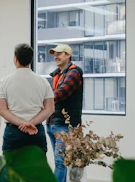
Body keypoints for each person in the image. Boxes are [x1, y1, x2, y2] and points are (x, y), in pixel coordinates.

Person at [0, 43, 55, 153]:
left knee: (12, 169)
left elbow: (1, 109)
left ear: (15, 59)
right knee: (35, 170)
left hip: (13, 132)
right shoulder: (43, 82)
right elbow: (50, 108)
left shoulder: (4, 82)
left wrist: (22, 123)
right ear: (31, 60)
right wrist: (31, 123)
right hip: (36, 131)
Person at [47, 44, 83, 182]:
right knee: (60, 161)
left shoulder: (74, 73)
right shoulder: (56, 74)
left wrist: (42, 100)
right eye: (54, 54)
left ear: (68, 55)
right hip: (52, 123)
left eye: (59, 53)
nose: (56, 56)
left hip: (65, 125)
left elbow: (59, 94)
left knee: (60, 162)